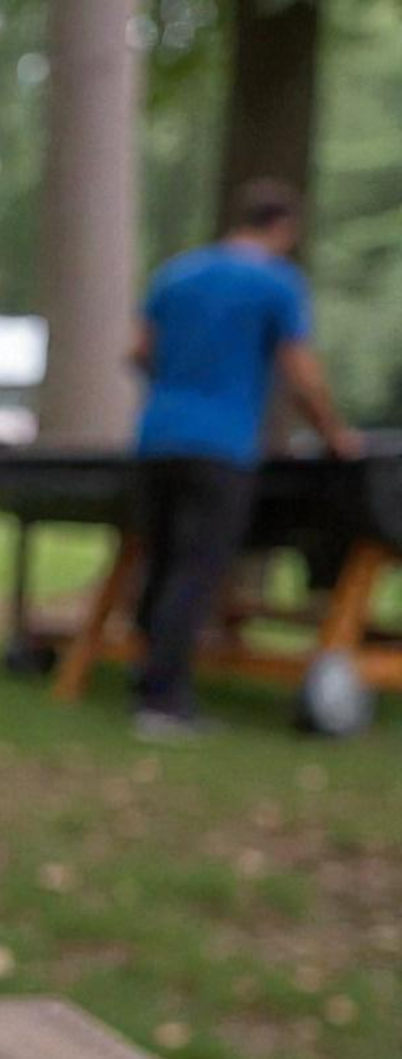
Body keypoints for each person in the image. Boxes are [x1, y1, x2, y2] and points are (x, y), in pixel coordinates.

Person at [129, 179, 360, 740]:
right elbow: (301, 374)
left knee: (160, 563)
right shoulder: (277, 282)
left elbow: (138, 351)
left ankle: (144, 680)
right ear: (285, 227)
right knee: (197, 569)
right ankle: (164, 705)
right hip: (221, 446)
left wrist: (180, 385)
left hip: (156, 438)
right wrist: (334, 435)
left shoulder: (177, 273)